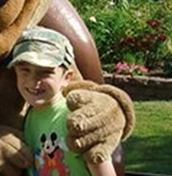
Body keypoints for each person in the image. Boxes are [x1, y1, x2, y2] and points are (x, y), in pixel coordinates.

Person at [8, 27, 117, 176]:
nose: (33, 81)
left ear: (67, 77)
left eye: (45, 72)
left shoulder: (77, 119)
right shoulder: (29, 118)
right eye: (25, 70)